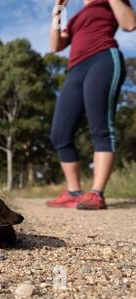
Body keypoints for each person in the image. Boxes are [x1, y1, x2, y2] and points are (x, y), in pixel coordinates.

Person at [47, 0, 136, 210]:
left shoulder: (109, 2)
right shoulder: (77, 16)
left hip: (103, 59)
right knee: (59, 134)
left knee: (100, 128)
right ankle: (73, 191)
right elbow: (55, 45)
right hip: (75, 69)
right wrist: (58, 9)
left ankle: (96, 193)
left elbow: (129, 24)